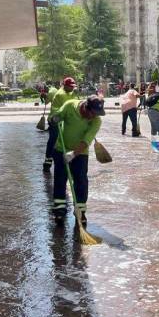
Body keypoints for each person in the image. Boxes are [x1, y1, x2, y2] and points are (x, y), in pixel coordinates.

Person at [49, 95, 105, 225]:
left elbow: (87, 140)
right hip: (61, 149)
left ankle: (80, 211)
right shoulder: (70, 105)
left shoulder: (96, 121)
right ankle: (59, 211)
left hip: (80, 153)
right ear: (86, 107)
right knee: (60, 179)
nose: (94, 116)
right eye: (93, 113)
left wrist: (73, 154)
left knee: (80, 180)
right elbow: (57, 115)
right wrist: (54, 118)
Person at [43, 77, 76, 173]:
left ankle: (60, 161)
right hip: (55, 120)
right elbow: (69, 108)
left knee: (61, 141)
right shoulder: (61, 94)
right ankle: (48, 161)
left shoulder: (69, 93)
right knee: (53, 141)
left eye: (73, 86)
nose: (72, 88)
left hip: (62, 120)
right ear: (65, 86)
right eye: (71, 87)